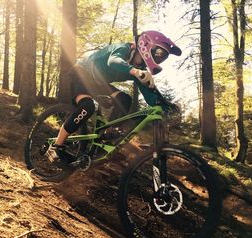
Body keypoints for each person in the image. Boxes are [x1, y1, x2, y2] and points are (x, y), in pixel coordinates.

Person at [46, 30, 182, 163]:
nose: (160, 58)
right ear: (146, 46)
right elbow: (113, 61)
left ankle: (105, 137)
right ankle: (56, 146)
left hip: (98, 83)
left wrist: (167, 106)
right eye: (159, 53)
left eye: (164, 57)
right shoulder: (124, 48)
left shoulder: (139, 69)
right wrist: (135, 72)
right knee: (87, 107)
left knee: (125, 99)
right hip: (80, 74)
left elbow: (150, 96)